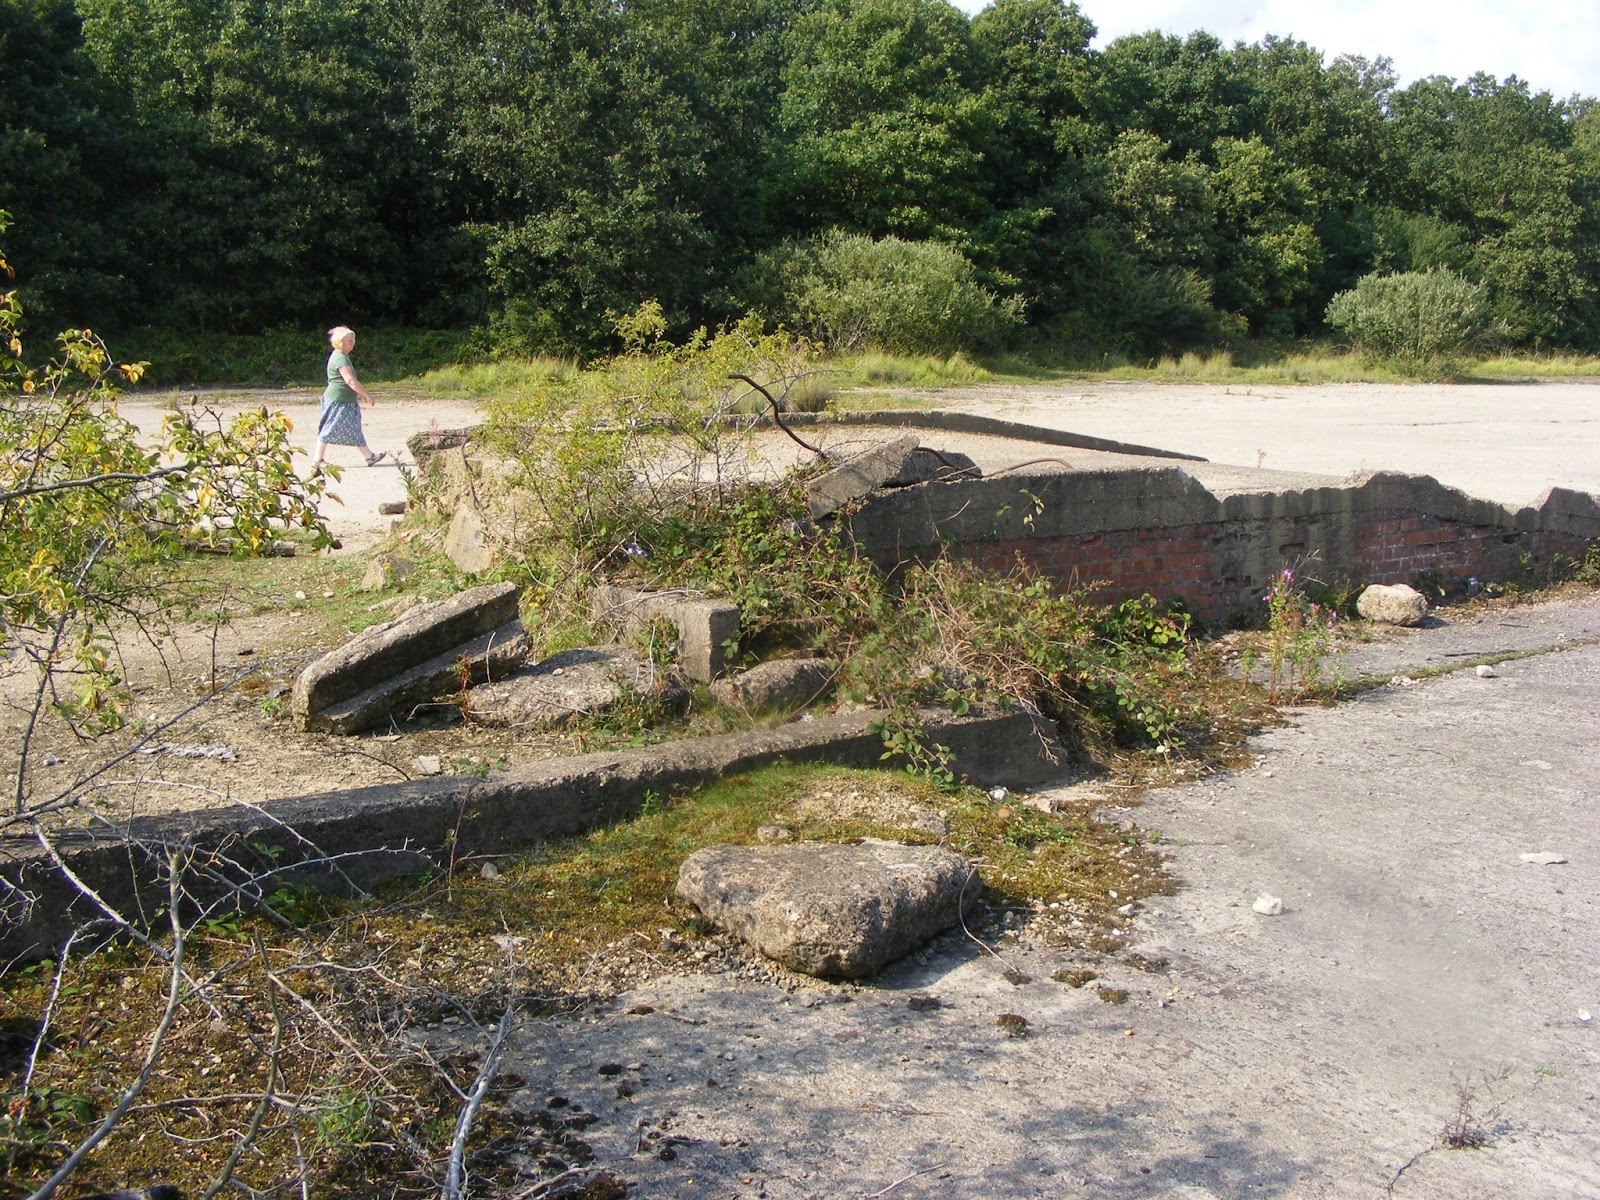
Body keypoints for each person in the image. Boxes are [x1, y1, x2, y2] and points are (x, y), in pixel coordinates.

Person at [312, 325, 387, 468]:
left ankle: (369, 456)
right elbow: (350, 380)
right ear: (340, 342)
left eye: (353, 340)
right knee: (328, 428)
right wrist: (367, 395)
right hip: (338, 400)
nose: (353, 343)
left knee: (354, 428)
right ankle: (317, 460)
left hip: (345, 400)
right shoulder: (340, 358)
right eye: (349, 341)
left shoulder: (341, 356)